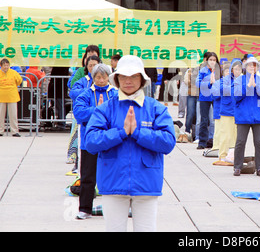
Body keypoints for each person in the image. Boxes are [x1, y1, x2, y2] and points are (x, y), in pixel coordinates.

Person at [84, 55, 176, 232]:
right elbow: (91, 142)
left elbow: (168, 142)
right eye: (123, 76)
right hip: (113, 182)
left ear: (142, 79)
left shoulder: (155, 108)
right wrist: (121, 132)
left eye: (134, 76)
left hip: (146, 183)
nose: (128, 81)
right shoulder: (105, 108)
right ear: (116, 79)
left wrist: (138, 133)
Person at [73, 64, 118, 220]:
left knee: (115, 175)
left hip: (111, 141)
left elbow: (119, 114)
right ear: (93, 78)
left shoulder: (115, 94)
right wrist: (98, 110)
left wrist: (101, 111)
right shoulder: (85, 94)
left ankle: (118, 208)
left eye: (104, 77)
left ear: (109, 78)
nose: (101, 80)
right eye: (97, 77)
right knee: (88, 176)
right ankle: (85, 208)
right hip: (90, 142)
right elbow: (79, 114)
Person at [233, 56, 260, 176]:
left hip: (258, 116)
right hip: (243, 116)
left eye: (254, 65)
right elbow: (236, 96)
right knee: (240, 141)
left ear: (257, 68)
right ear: (245, 67)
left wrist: (256, 86)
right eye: (250, 65)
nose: (252, 67)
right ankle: (237, 167)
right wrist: (248, 86)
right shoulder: (239, 80)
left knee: (259, 142)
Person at [212, 60, 242, 165]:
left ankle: (234, 156)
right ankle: (222, 156)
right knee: (225, 135)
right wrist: (237, 88)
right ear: (232, 70)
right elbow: (222, 89)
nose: (237, 71)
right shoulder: (225, 79)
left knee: (237, 137)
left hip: (239, 112)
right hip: (227, 111)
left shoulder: (244, 80)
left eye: (239, 69)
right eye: (235, 69)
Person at [195, 52, 220, 149]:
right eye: (211, 59)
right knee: (204, 120)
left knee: (215, 120)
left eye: (214, 60)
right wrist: (208, 83)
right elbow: (198, 83)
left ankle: (213, 141)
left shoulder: (219, 70)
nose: (212, 61)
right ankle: (202, 142)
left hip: (216, 97)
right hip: (204, 97)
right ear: (207, 60)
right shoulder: (203, 70)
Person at [0, 58, 23, 137]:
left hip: (12, 96)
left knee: (13, 115)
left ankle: (14, 131)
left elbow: (19, 80)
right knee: (0, 115)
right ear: (1, 66)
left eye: (7, 65)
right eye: (4, 65)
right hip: (1, 97)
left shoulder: (14, 73)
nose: (6, 67)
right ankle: (0, 130)